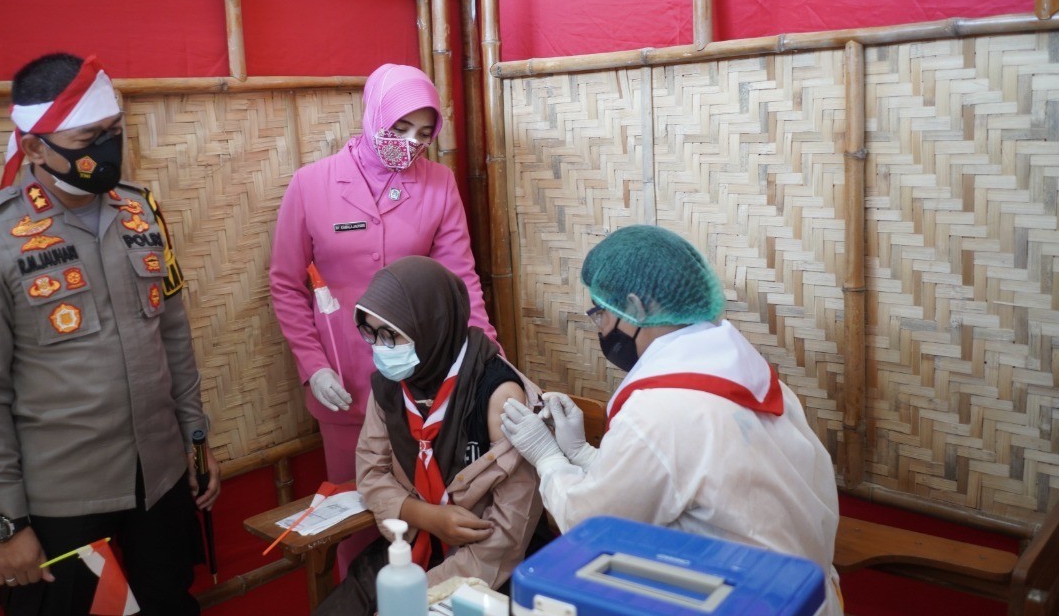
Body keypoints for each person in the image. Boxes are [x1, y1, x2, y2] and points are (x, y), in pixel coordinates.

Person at [0, 52, 221, 616]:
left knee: (171, 602)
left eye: (114, 133)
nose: (106, 148)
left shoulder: (141, 213)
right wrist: (9, 523)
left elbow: (173, 334)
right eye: (88, 136)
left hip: (162, 475)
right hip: (65, 495)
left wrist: (196, 441)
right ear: (34, 147)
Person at [501, 225, 842, 615]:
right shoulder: (742, 371)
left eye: (600, 314)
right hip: (807, 597)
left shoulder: (657, 412)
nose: (600, 329)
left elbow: (591, 525)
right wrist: (583, 454)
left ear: (635, 306)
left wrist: (548, 459)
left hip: (738, 601)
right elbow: (681, 481)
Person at [269, 63, 495, 571]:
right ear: (372, 116)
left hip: (427, 376)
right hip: (345, 378)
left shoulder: (438, 184)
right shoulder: (312, 185)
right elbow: (285, 284)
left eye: (423, 133)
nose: (410, 144)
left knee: (436, 508)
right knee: (358, 516)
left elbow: (462, 281)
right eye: (399, 129)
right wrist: (314, 366)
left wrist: (490, 359)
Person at [315, 256, 542, 616]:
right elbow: (371, 473)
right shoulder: (391, 384)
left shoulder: (500, 395)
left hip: (491, 567)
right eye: (372, 334)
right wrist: (424, 516)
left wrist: (413, 600)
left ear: (431, 324)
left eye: (391, 335)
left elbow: (508, 535)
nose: (379, 348)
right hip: (415, 540)